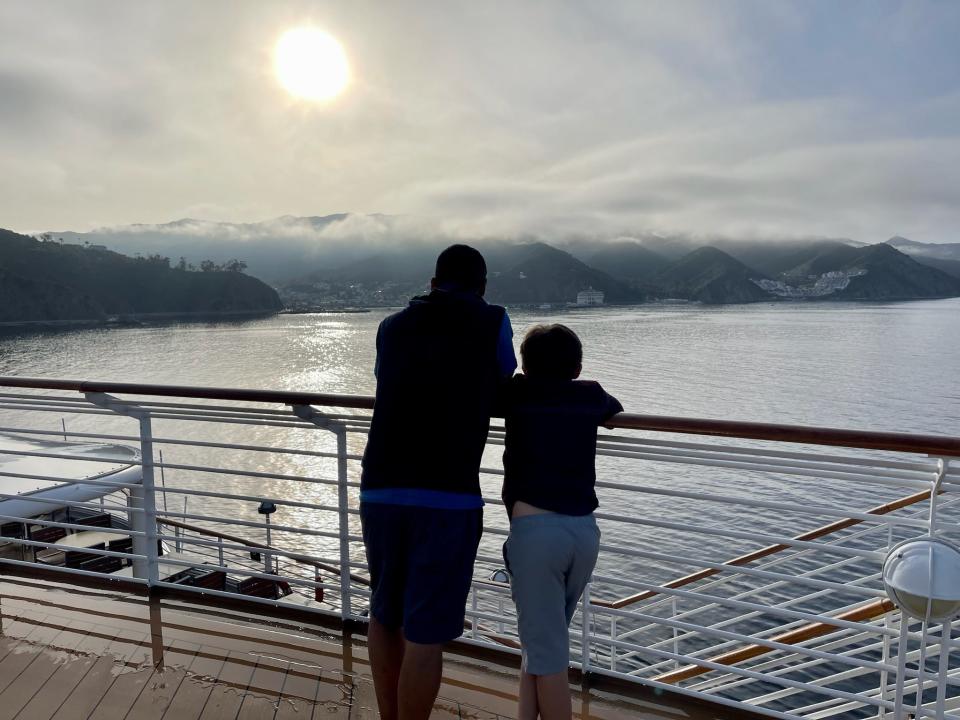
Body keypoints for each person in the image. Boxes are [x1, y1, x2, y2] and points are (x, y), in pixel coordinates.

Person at [360, 244, 517, 720]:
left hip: (381, 486)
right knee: (425, 633)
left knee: (384, 615)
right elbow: (503, 389)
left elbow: (387, 380)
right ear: (483, 287)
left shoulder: (391, 326)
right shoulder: (493, 320)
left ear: (431, 284)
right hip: (448, 495)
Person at [501, 324, 622, 720]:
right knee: (542, 645)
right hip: (583, 534)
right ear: (577, 366)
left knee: (547, 654)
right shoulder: (589, 394)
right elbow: (612, 410)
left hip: (537, 537)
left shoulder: (516, 392)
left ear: (525, 365)